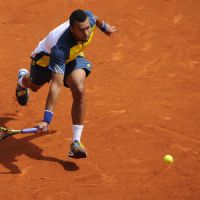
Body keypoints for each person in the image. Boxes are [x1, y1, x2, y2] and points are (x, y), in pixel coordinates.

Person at [16, 9, 116, 158]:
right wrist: (46, 120)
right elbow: (56, 85)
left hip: (72, 56)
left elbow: (94, 16)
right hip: (45, 59)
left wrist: (104, 26)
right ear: (72, 30)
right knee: (34, 85)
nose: (87, 33)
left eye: (88, 28)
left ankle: (76, 142)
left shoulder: (89, 21)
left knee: (79, 88)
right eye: (81, 30)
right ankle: (22, 80)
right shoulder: (60, 48)